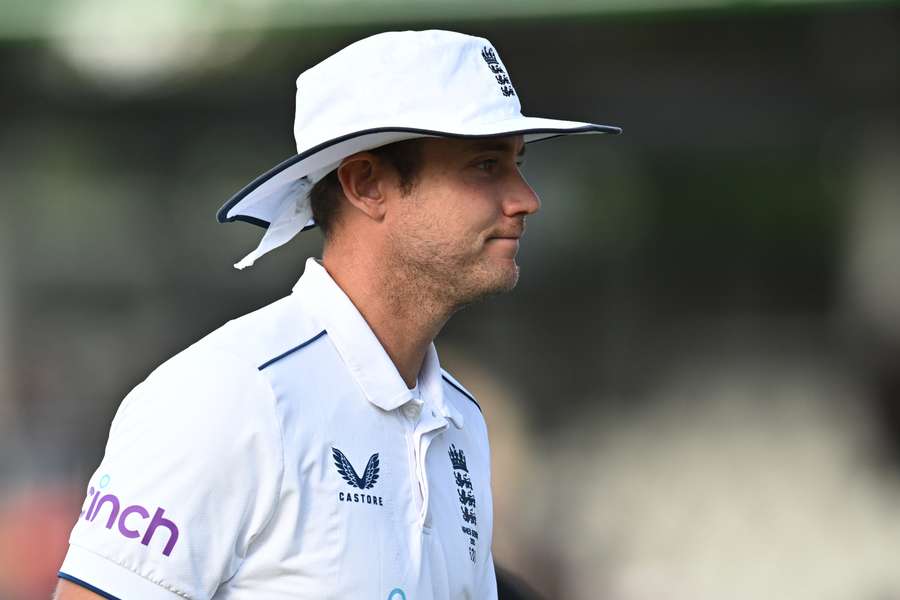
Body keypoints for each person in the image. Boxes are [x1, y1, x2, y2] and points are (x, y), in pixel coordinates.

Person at [54, 29, 620, 600]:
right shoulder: (232, 393)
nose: (526, 198)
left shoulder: (462, 420)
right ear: (366, 184)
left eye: (516, 163)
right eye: (484, 165)